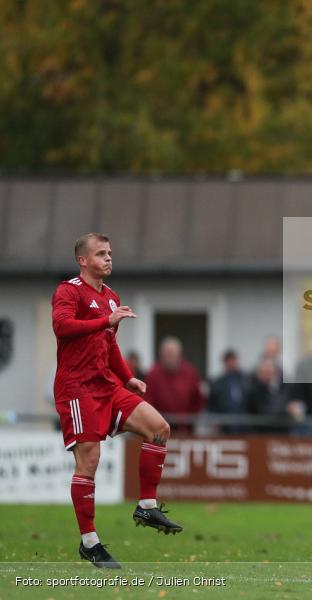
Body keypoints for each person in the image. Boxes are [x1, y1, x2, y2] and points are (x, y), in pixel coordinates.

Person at [52, 233, 182, 569]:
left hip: (107, 385)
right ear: (83, 261)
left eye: (110, 253)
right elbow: (62, 326)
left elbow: (108, 346)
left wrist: (127, 377)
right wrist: (104, 321)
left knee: (159, 428)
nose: (109, 258)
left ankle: (147, 505)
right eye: (100, 254)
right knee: (90, 461)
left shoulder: (111, 298)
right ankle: (90, 542)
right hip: (77, 388)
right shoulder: (69, 290)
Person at [143, 337, 205, 432]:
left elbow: (198, 399)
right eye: (167, 355)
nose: (169, 358)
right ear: (161, 355)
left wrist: (188, 418)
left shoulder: (190, 372)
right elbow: (147, 401)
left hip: (185, 430)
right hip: (159, 430)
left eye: (172, 354)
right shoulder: (153, 373)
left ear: (179, 355)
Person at [207, 349, 248, 434]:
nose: (232, 363)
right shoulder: (217, 382)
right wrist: (215, 420)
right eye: (229, 361)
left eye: (233, 360)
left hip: (244, 425)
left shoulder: (246, 380)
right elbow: (212, 404)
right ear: (225, 362)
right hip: (225, 425)